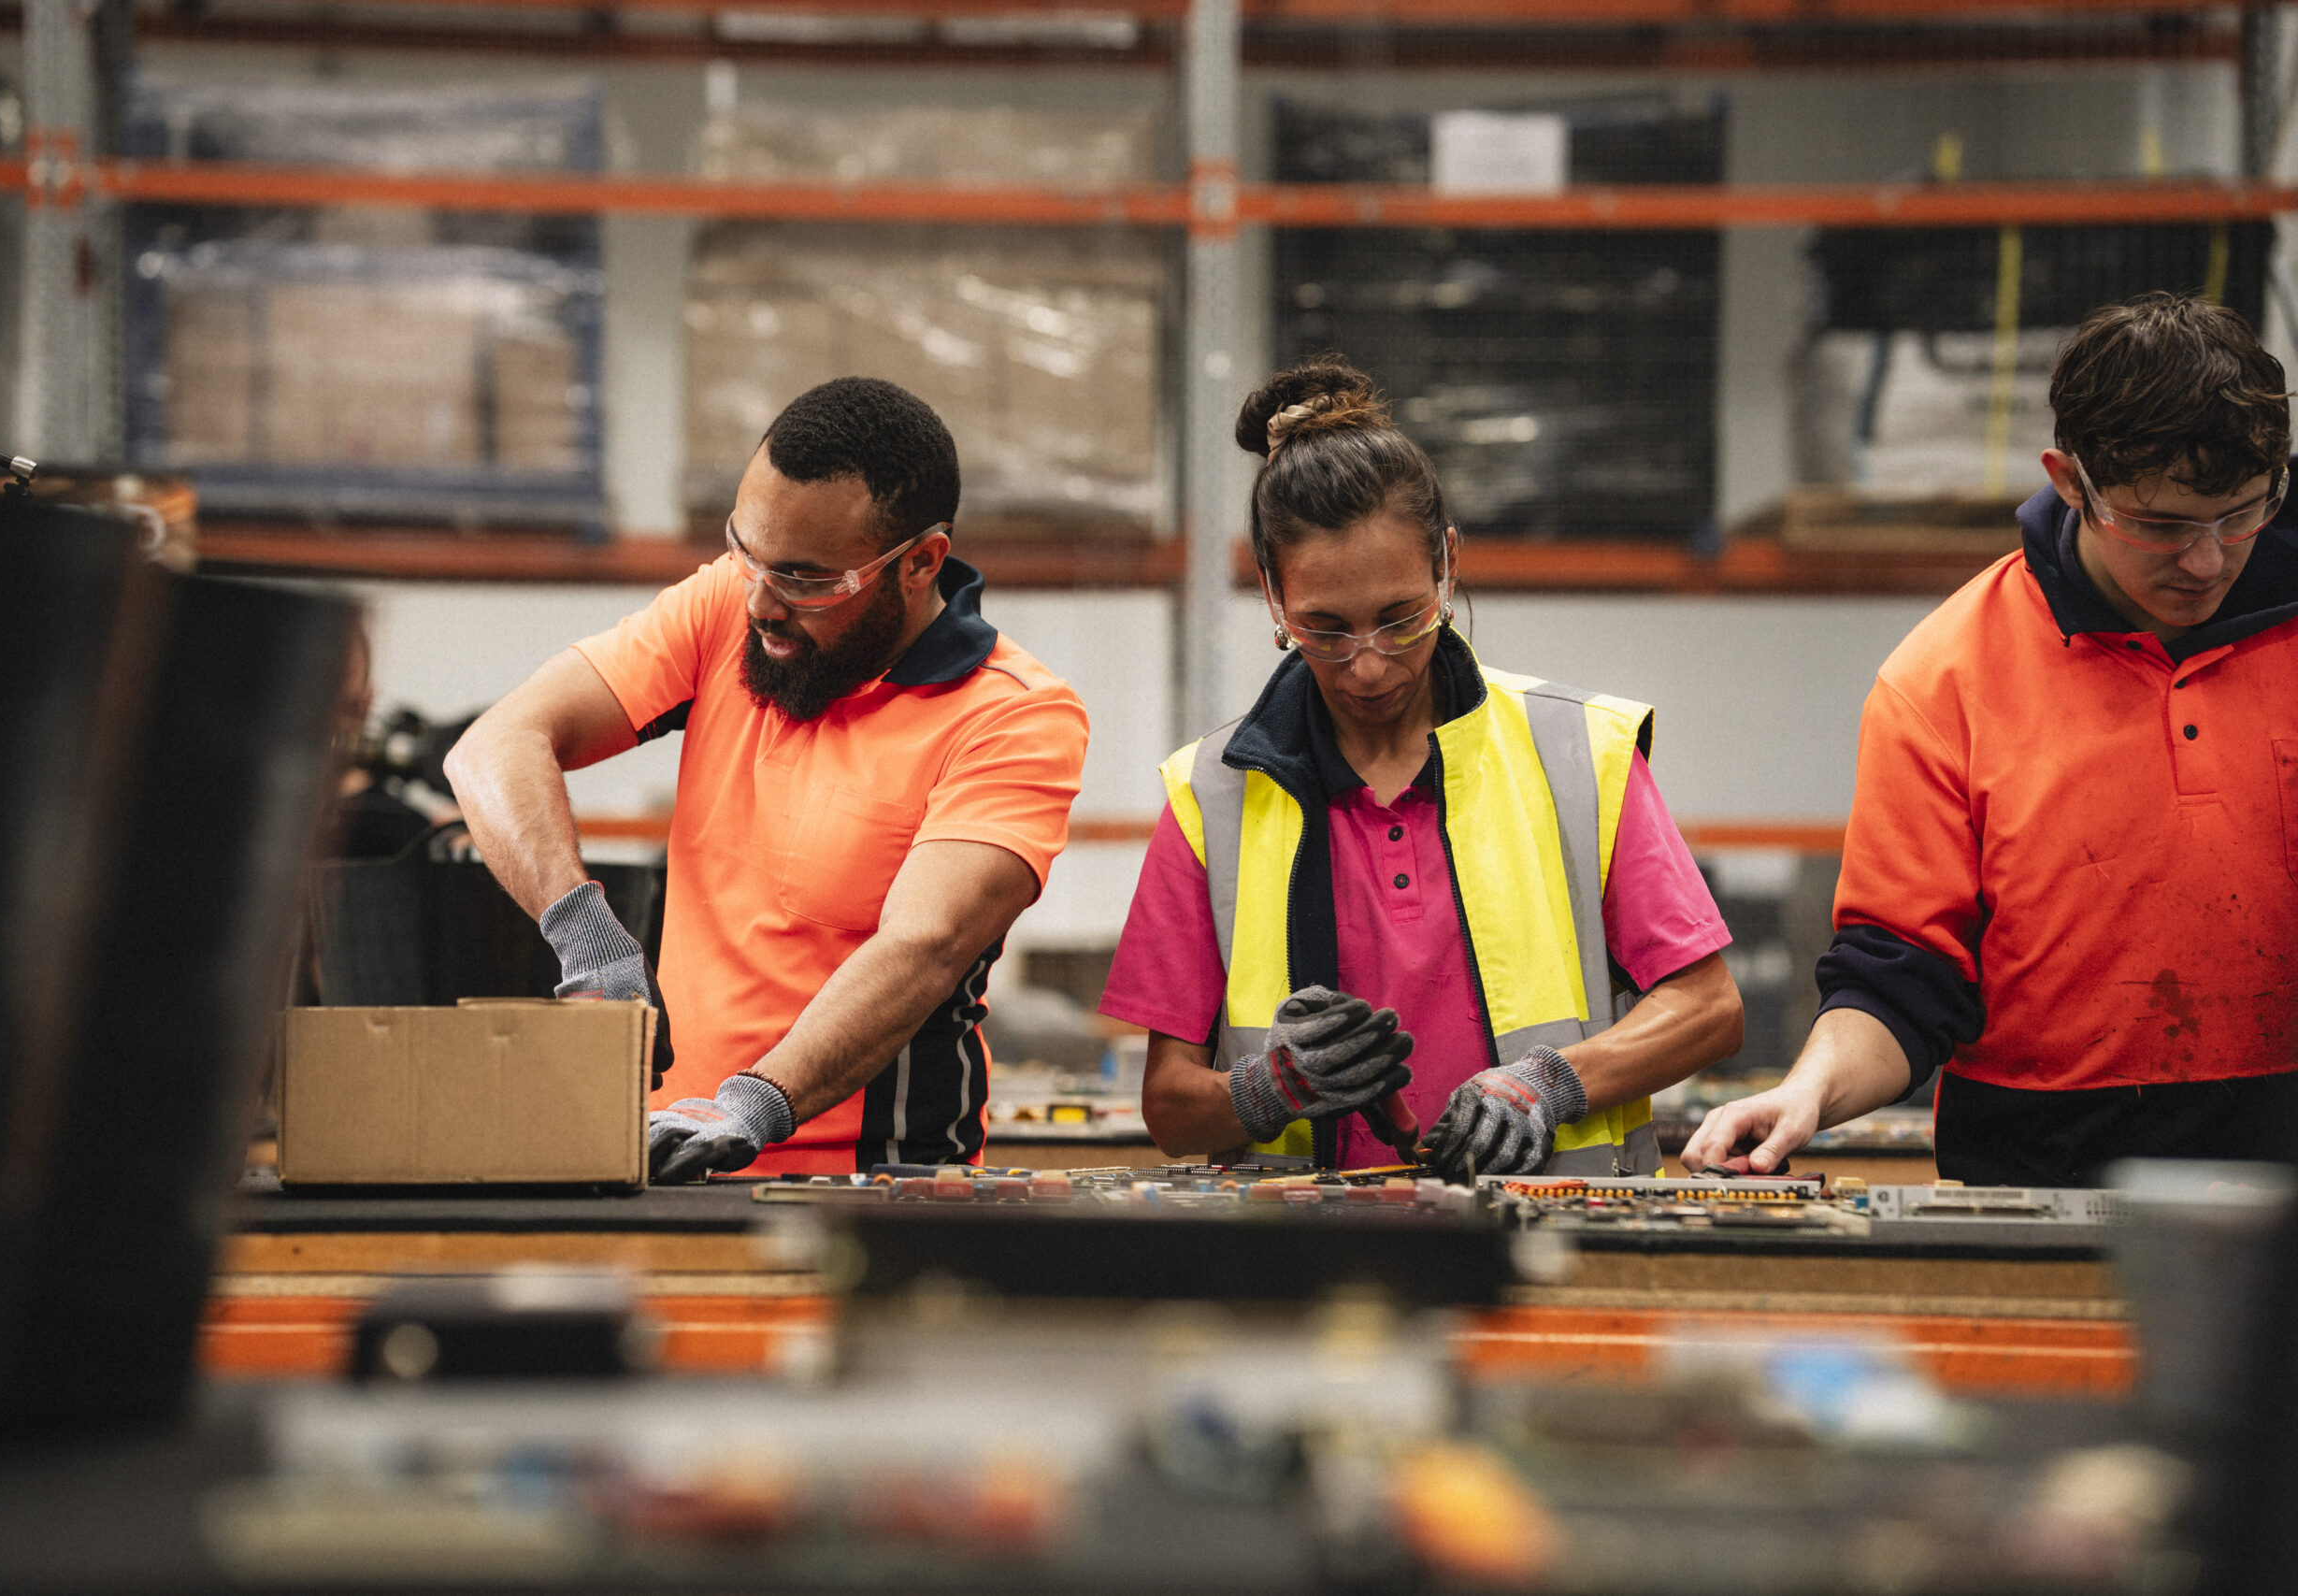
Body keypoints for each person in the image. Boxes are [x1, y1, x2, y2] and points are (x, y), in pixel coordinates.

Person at [1684, 293, 2298, 1186]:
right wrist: (1809, 1088)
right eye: (2160, 526)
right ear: (2069, 480)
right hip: (2041, 1176)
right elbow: (1900, 980)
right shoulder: (1944, 681)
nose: (2207, 559)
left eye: (2240, 514)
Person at [1100, 359, 1743, 1178]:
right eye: (1325, 629)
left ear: (1447, 563)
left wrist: (1552, 1083)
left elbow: (1709, 1007)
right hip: (1307, 1244)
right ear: (1271, 594)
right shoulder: (1213, 794)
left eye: (1400, 618)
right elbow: (1170, 1108)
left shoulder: (1579, 753)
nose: (1369, 665)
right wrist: (1270, 1088)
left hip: (1550, 1235)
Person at [446, 378, 1089, 1179]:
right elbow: (494, 746)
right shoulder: (727, 606)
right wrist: (584, 933)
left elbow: (924, 945)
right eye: (744, 550)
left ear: (920, 562)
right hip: (674, 1156)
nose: (761, 601)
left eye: (805, 579)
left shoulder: (1012, 716)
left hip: (875, 1180)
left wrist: (758, 1103)